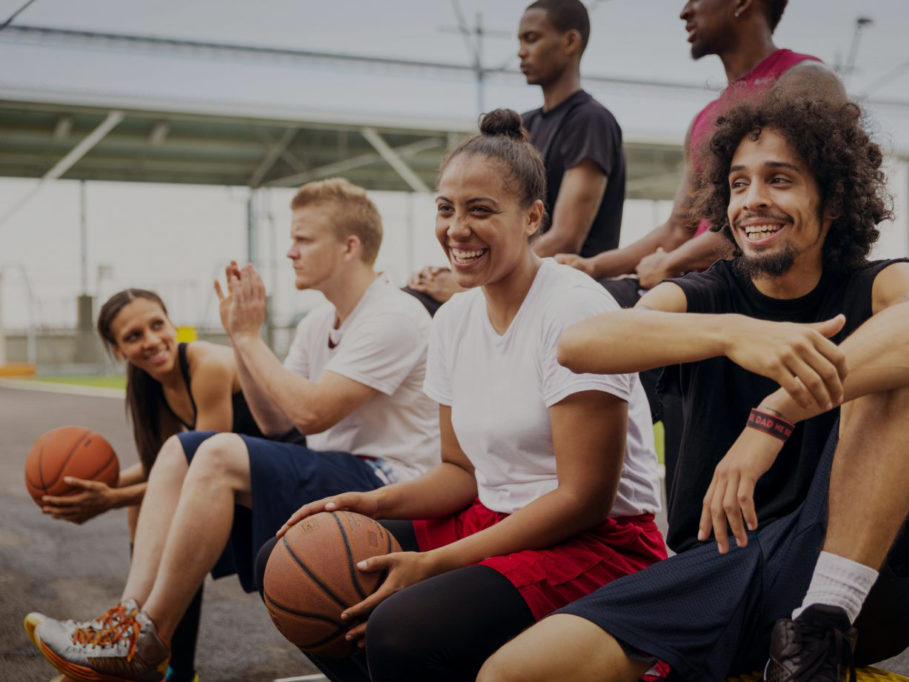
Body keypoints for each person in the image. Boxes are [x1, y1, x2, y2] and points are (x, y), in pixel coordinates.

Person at [479, 98, 909, 682]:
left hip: (860, 574)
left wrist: (778, 412)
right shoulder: (709, 293)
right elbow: (583, 343)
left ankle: (821, 626)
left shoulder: (877, 283)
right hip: (717, 567)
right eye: (739, 184)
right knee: (512, 673)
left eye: (779, 179)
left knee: (898, 360)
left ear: (834, 199)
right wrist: (735, 334)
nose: (752, 200)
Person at [268, 109, 664, 682]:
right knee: (291, 570)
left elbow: (584, 499)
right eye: (446, 208)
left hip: (597, 544)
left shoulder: (573, 309)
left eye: (481, 210)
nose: (457, 228)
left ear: (532, 217)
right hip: (492, 513)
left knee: (401, 627)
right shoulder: (454, 318)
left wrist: (433, 564)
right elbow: (460, 470)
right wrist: (370, 503)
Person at [27, 178, 441, 682]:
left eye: (304, 239)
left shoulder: (394, 313)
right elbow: (276, 421)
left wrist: (247, 337)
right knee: (183, 451)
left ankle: (146, 639)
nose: (289, 252)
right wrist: (242, 340)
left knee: (217, 453)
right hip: (340, 473)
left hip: (393, 484)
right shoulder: (319, 323)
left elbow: (311, 416)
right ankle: (128, 625)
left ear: (349, 246)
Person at [37, 287, 299, 682]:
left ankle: (139, 650)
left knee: (153, 507)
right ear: (117, 350)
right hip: (235, 482)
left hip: (284, 480)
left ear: (172, 323)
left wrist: (107, 498)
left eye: (157, 325)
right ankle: (142, 653)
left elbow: (197, 471)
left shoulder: (207, 366)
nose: (151, 341)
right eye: (133, 336)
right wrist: (86, 487)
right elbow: (162, 467)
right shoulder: (150, 383)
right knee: (138, 505)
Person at [557, 0, 845, 303]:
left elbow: (776, 213)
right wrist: (592, 266)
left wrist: (672, 262)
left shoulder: (805, 80)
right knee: (568, 301)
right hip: (693, 281)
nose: (685, 11)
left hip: (748, 286)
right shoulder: (704, 118)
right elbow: (677, 230)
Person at [405, 0, 626, 315]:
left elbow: (565, 238)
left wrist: (475, 278)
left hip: (560, 283)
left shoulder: (590, 121)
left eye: (532, 39)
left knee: (414, 306)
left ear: (570, 42)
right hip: (508, 273)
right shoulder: (525, 124)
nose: (521, 51)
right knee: (409, 296)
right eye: (520, 41)